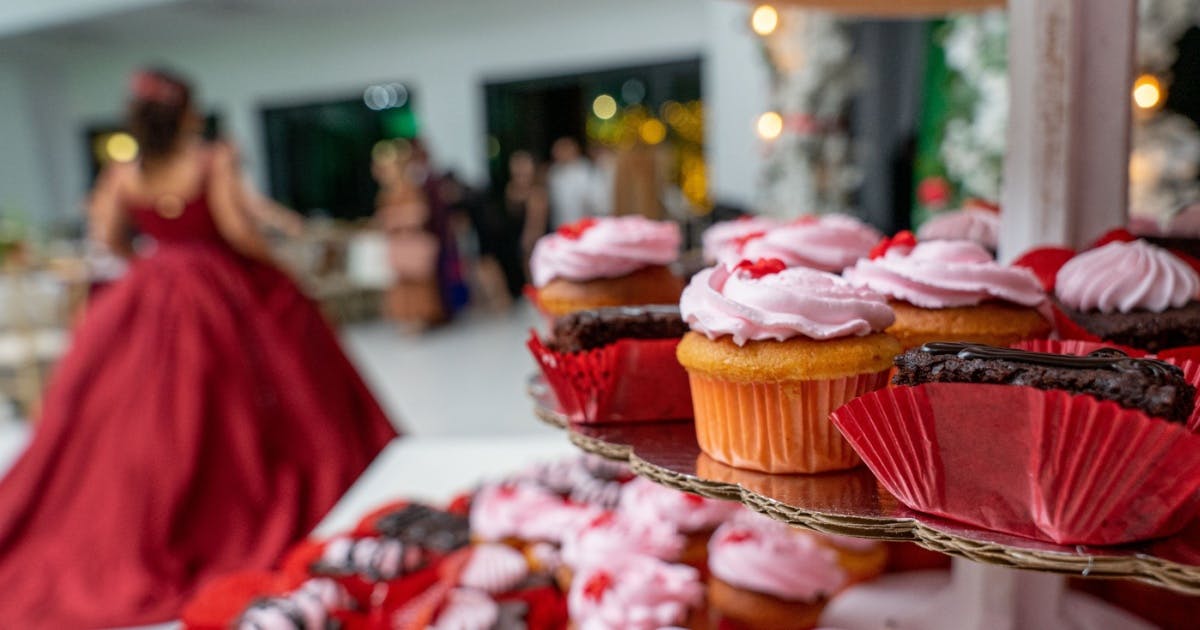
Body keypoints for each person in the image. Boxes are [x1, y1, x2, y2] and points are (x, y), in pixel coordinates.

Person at [0, 68, 397, 628]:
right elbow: (237, 230)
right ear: (188, 113)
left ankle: (149, 519)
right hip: (216, 294)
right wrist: (277, 268)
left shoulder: (122, 170)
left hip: (152, 289)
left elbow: (108, 236)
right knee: (234, 412)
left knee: (144, 422)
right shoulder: (209, 159)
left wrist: (150, 263)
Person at [505, 150, 550, 292]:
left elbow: (535, 225)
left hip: (531, 242)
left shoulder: (537, 194)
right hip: (514, 237)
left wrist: (528, 244)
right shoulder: (510, 190)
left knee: (533, 271)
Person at [547, 136, 596, 228]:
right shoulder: (554, 172)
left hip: (583, 225)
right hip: (560, 224)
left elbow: (593, 200)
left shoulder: (585, 169)